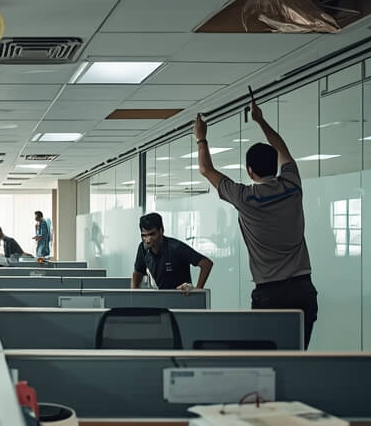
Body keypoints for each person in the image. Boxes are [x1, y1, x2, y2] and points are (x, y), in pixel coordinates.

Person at [195, 95, 318, 347]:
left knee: (268, 359)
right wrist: (261, 121)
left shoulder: (245, 197)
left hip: (270, 294)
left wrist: (201, 137)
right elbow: (282, 148)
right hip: (303, 290)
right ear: (275, 166)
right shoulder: (293, 185)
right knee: (299, 358)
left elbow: (206, 170)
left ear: (250, 171)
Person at [130, 212, 212, 293]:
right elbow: (138, 272)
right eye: (144, 235)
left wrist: (198, 290)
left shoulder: (176, 247)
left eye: (152, 234)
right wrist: (133, 294)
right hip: (163, 295)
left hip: (182, 295)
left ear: (161, 231)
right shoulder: (143, 248)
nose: (148, 240)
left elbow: (206, 264)